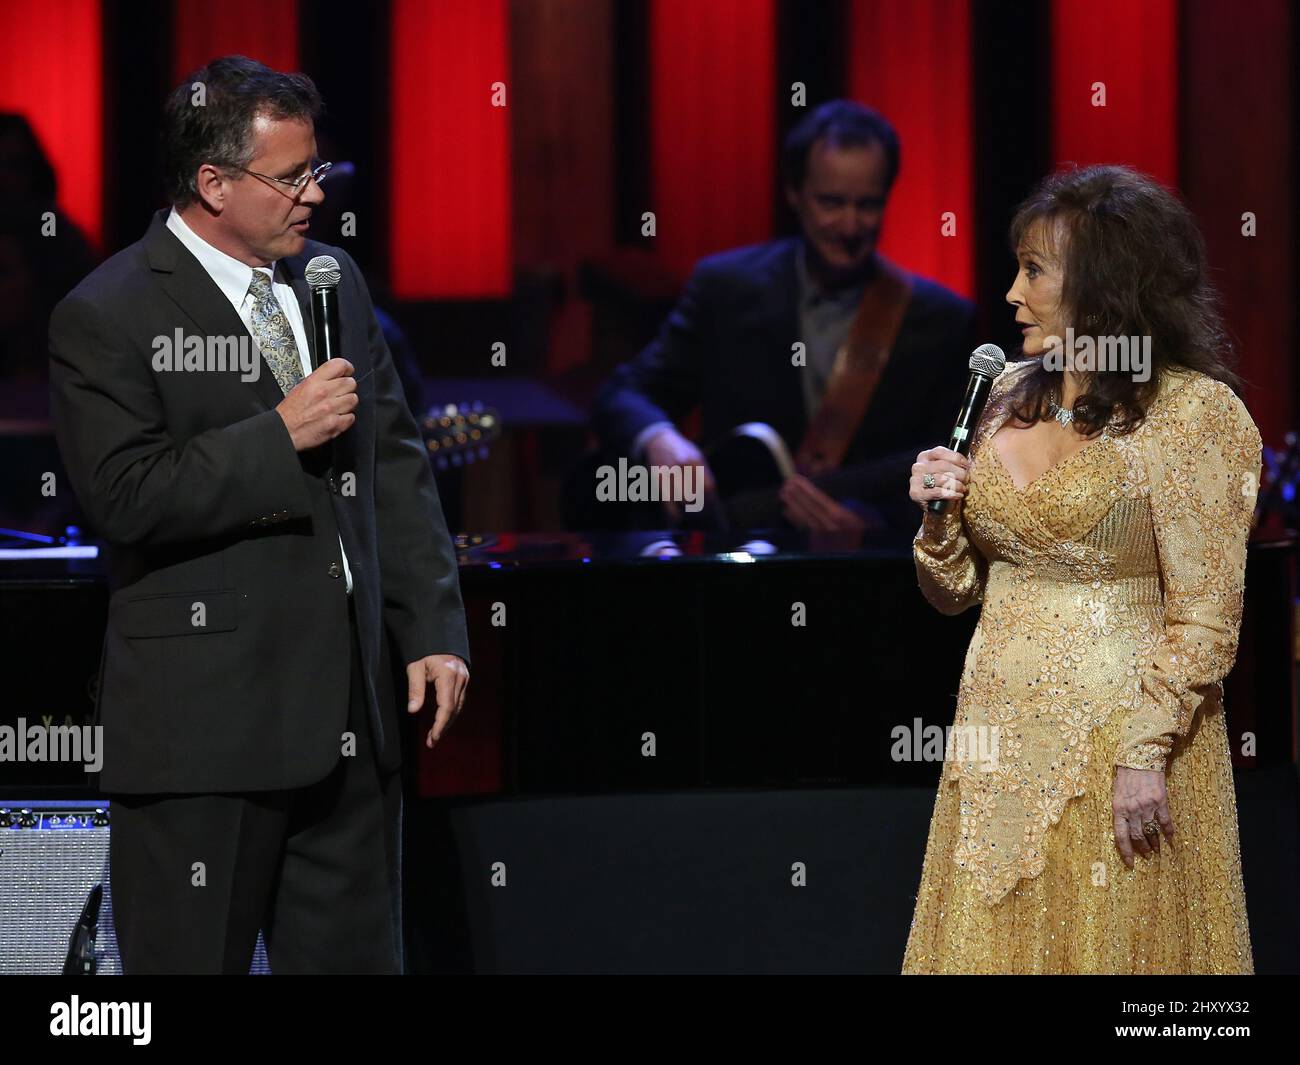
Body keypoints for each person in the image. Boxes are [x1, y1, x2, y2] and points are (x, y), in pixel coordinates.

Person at [47, 56, 470, 974]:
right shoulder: (106, 313)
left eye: (317, 170)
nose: (314, 194)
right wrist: (276, 435)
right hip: (208, 732)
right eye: (292, 177)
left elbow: (394, 466)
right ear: (213, 183)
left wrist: (433, 627)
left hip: (352, 721)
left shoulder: (333, 280)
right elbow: (123, 495)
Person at [903, 164, 1260, 974]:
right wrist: (935, 521)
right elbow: (953, 593)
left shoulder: (1192, 415)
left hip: (1125, 743)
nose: (1010, 295)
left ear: (1105, 285)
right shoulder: (1003, 394)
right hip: (996, 734)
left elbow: (1207, 612)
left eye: (1034, 271)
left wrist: (1146, 749)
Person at [591, 100, 974, 535]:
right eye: (831, 202)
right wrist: (659, 438)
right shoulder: (724, 289)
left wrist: (873, 528)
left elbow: (956, 476)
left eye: (867, 205)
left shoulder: (943, 320)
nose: (849, 226)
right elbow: (621, 395)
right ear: (794, 193)